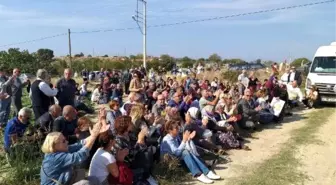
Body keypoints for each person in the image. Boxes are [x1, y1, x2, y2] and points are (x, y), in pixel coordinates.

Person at [40, 119, 102, 185]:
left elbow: (80, 144)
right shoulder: (55, 158)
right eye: (63, 141)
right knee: (86, 183)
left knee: (92, 179)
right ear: (54, 145)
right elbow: (80, 156)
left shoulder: (58, 150)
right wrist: (93, 137)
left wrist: (95, 134)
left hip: (64, 180)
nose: (67, 142)